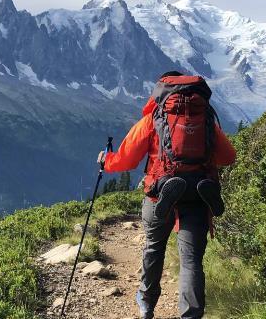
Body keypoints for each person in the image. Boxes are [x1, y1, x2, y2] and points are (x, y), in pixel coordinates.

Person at [97, 71, 236, 319]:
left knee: (154, 247)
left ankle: (147, 303)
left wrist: (106, 161)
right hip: (197, 194)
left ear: (161, 91)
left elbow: (126, 160)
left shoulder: (154, 118)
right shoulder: (204, 118)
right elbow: (228, 157)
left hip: (159, 192)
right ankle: (191, 315)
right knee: (191, 260)